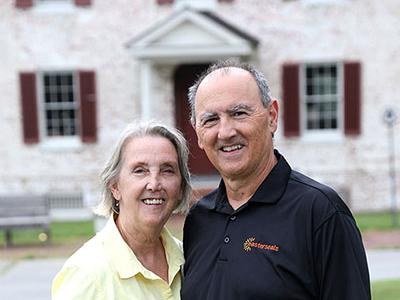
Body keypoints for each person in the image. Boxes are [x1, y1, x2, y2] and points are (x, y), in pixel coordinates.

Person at [181, 60, 371, 299]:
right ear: (197, 132)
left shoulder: (320, 212)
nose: (226, 132)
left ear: (272, 116)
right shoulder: (199, 219)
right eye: (211, 119)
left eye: (239, 113)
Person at [52, 121, 191, 300]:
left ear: (180, 187)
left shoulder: (188, 258)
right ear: (115, 186)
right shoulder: (86, 275)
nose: (154, 184)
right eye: (140, 170)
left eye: (167, 170)